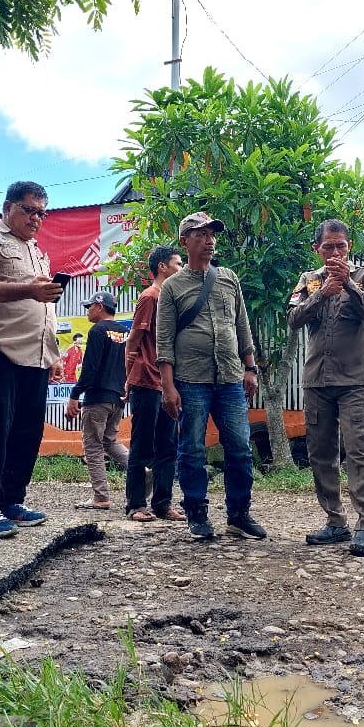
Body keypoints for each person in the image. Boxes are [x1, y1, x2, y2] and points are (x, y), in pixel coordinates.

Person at [0, 181, 61, 538]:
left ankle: (11, 501)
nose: (36, 218)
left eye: (41, 213)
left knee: (25, 433)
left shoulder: (36, 250)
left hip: (35, 356)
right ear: (8, 208)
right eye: (29, 210)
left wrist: (54, 352)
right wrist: (30, 289)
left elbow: (42, 306)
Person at [156, 211, 265, 541]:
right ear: (184, 241)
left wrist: (250, 368)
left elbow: (242, 326)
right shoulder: (172, 287)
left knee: (240, 449)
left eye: (211, 234)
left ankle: (239, 514)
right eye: (200, 234)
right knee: (192, 450)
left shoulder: (229, 278)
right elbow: (164, 340)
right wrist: (168, 387)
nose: (209, 240)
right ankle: (197, 514)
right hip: (191, 381)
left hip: (231, 378)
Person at [288, 219, 364, 555]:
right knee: (320, 454)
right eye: (328, 246)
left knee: (359, 451)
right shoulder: (308, 281)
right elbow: (293, 320)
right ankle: (335, 522)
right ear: (317, 249)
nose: (335, 252)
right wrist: (321, 295)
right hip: (316, 381)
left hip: (354, 382)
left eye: (341, 246)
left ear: (349, 247)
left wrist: (348, 286)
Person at [123, 245, 184, 523]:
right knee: (141, 445)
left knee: (168, 446)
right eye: (177, 263)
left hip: (169, 383)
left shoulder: (172, 299)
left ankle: (162, 503)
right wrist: (128, 378)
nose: (181, 268)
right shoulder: (150, 296)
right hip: (147, 380)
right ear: (162, 267)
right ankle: (136, 505)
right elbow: (133, 340)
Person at [66, 291, 130, 509]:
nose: (88, 310)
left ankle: (100, 498)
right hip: (117, 398)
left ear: (100, 307)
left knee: (93, 446)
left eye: (89, 306)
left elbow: (90, 368)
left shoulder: (97, 330)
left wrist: (75, 394)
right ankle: (140, 471)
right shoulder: (124, 332)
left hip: (97, 398)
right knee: (110, 441)